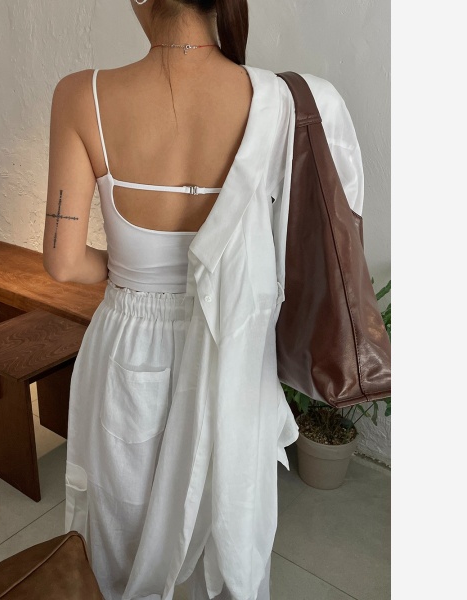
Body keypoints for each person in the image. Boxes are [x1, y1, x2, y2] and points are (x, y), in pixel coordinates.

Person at [43, 1, 364, 598]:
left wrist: (130, 269)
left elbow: (62, 262)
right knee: (225, 515)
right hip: (234, 347)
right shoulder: (279, 101)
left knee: (121, 525)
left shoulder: (80, 95)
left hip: (129, 343)